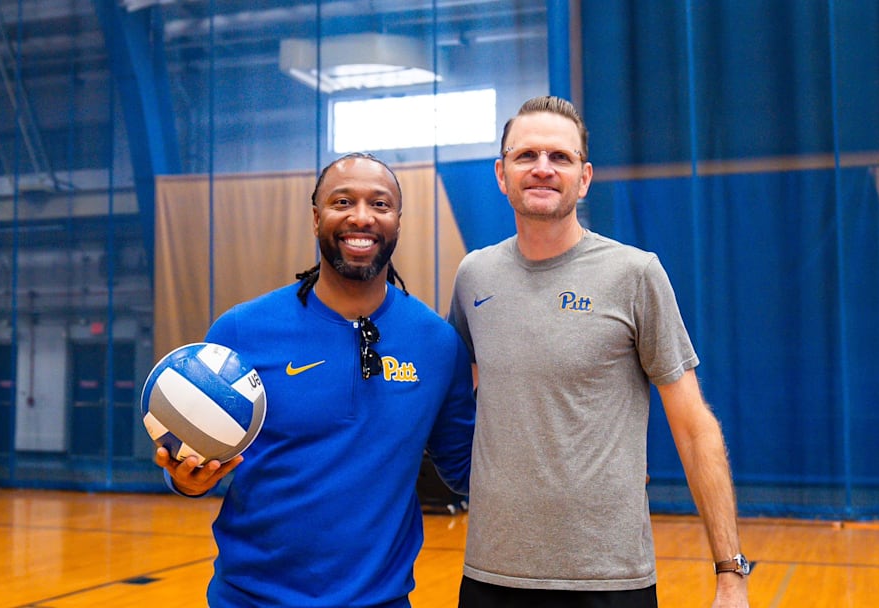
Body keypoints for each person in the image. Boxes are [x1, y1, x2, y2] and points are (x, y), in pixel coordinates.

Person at [448, 96, 750, 607]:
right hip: (491, 576)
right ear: (502, 174)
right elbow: (462, 398)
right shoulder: (473, 275)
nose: (542, 168)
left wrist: (730, 573)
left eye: (560, 158)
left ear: (584, 178)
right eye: (526, 156)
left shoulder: (635, 274)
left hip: (609, 582)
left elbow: (694, 426)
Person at [154, 152, 476, 607]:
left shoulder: (438, 345)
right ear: (315, 217)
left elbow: (467, 469)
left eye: (379, 205)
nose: (361, 217)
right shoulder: (240, 332)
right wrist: (187, 480)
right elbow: (192, 459)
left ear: (398, 221)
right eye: (342, 202)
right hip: (249, 599)